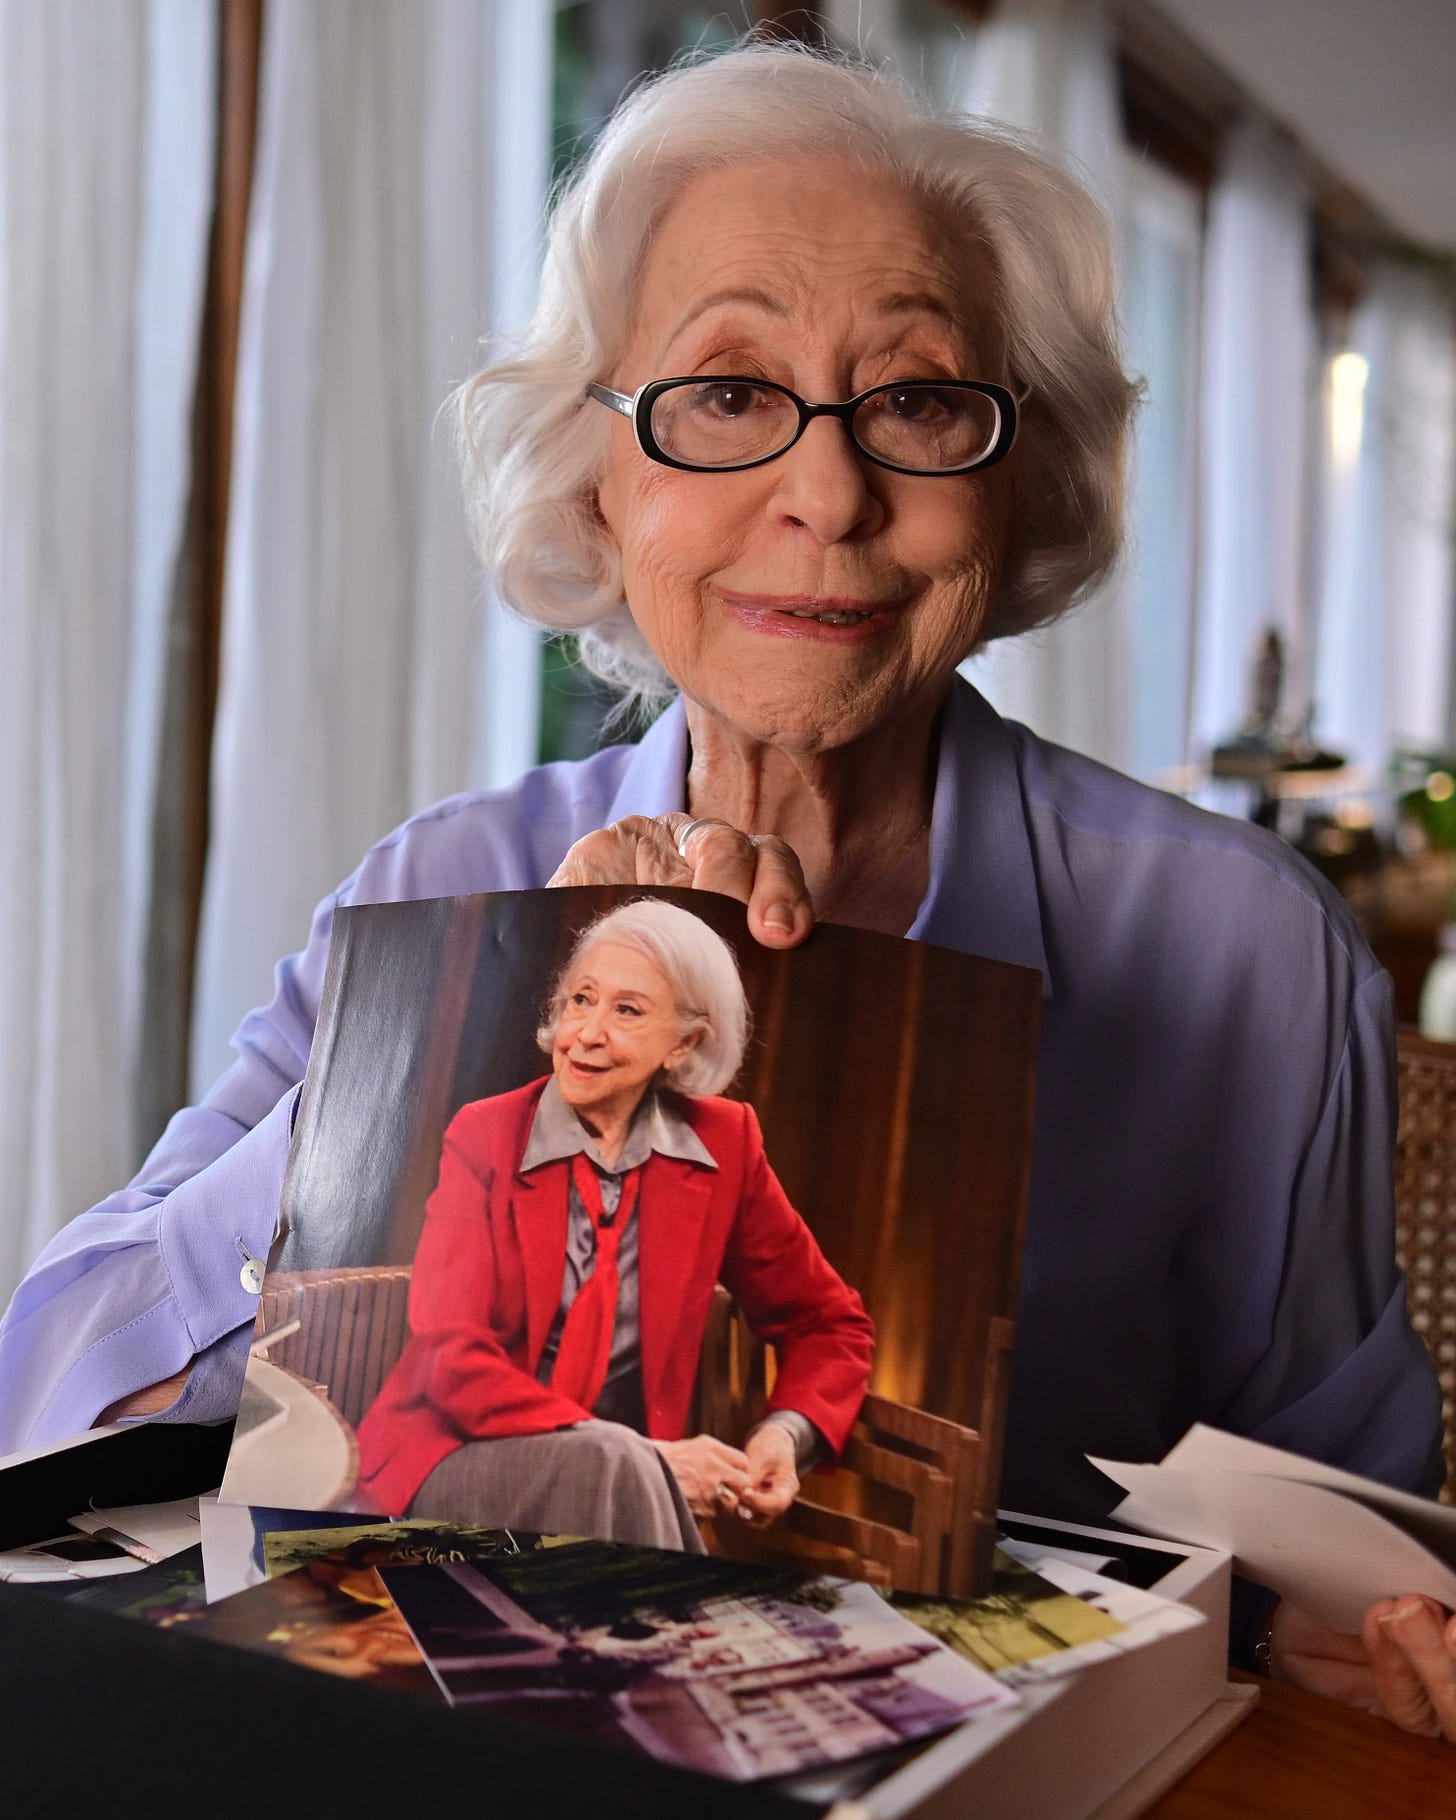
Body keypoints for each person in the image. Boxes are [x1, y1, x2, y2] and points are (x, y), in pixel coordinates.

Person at [0, 41, 1451, 1734]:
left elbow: (1352, 1548)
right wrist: (438, 1040)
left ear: (1014, 481)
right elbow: (50, 1408)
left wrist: (1373, 1654)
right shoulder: (442, 882)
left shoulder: (1244, 948)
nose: (826, 496)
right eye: (728, 395)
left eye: (916, 401)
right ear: (599, 480)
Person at [351, 899, 874, 1546]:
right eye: (581, 1000)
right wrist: (645, 1456)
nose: (586, 1033)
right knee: (613, 1466)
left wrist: (785, 1434)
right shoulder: (485, 1135)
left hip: (624, 1484)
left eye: (626, 1011)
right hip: (457, 1456)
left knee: (615, 1470)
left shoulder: (725, 1146)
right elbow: (450, 1359)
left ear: (684, 1042)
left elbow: (828, 1325)